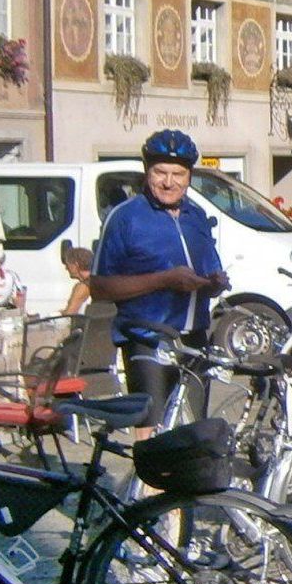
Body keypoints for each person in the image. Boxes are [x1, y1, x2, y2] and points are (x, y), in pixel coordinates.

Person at [87, 130, 228, 430]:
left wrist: (214, 282)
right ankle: (148, 480)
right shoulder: (125, 217)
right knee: (152, 432)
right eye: (160, 172)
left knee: (194, 430)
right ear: (146, 171)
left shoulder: (197, 216)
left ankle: (186, 479)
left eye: (178, 173)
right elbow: (99, 288)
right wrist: (164, 280)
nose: (169, 182)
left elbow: (208, 270)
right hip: (147, 339)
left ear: (190, 176)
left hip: (194, 338)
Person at [62, 247, 94, 317]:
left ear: (76, 265)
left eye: (67, 265)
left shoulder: (82, 287)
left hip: (85, 326)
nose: (66, 268)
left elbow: (69, 315)